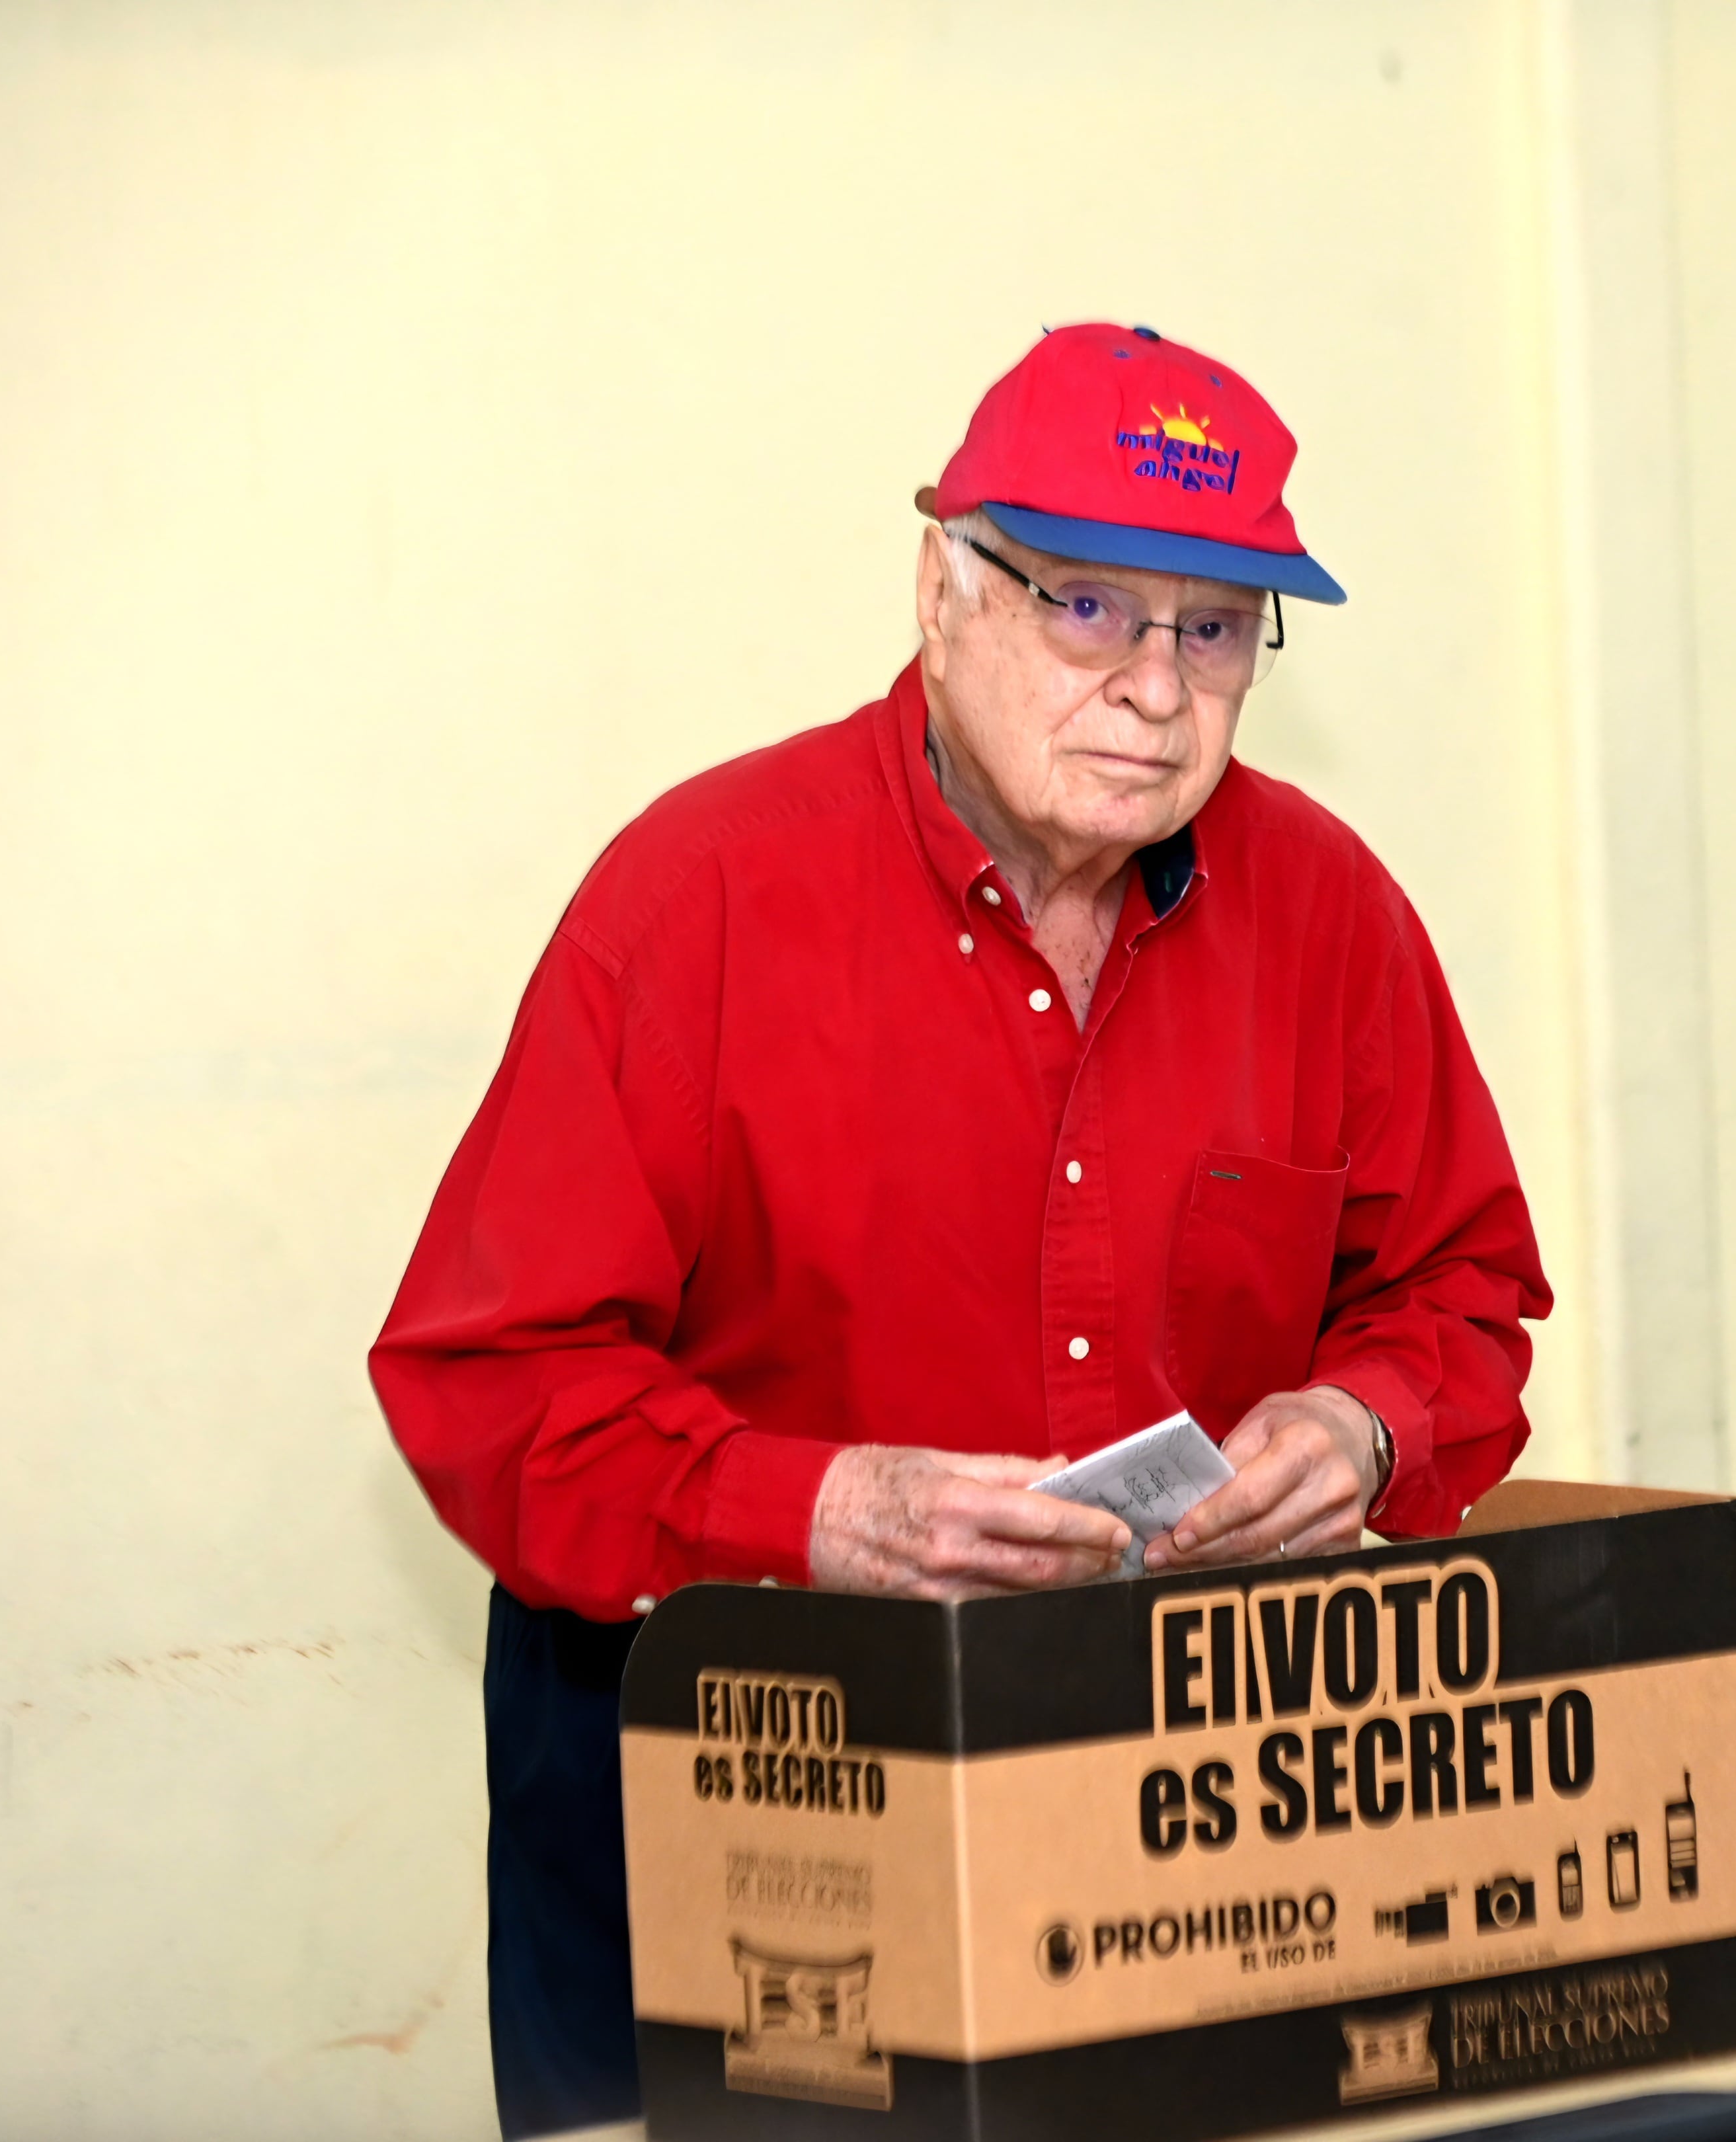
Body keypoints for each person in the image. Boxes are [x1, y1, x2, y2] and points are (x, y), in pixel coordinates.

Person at [370, 322, 1553, 2138]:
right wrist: (819, 1509)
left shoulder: (1329, 916)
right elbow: (486, 1383)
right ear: (943, 589)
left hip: (1165, 1819)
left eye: (1217, 626)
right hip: (737, 1808)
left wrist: (1365, 1423)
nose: (1159, 688)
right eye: (1088, 605)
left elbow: (1462, 1287)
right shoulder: (695, 905)